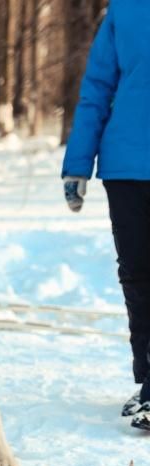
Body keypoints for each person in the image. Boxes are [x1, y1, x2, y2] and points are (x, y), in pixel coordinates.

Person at [62, 0, 150, 432]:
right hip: (127, 166)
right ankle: (148, 380)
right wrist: (78, 163)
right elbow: (97, 87)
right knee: (136, 274)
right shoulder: (126, 10)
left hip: (128, 165)